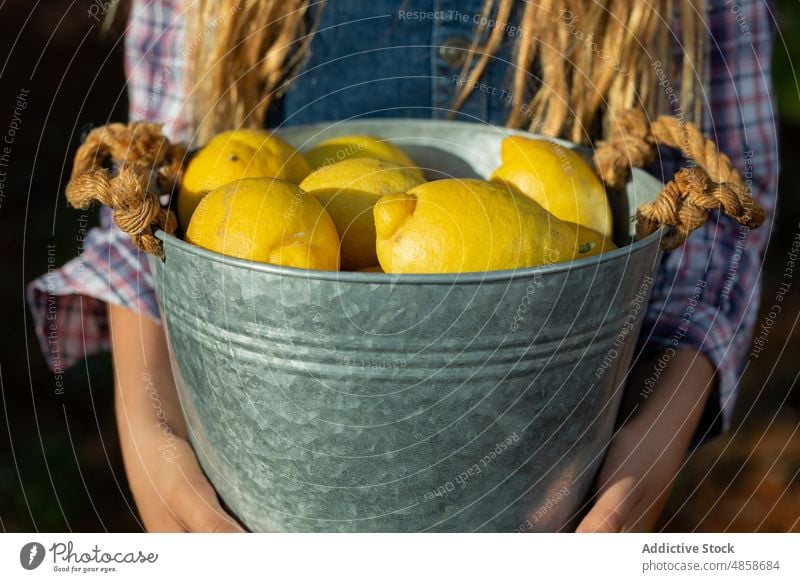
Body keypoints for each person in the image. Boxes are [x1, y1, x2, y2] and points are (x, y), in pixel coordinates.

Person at [28, 0, 777, 532]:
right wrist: (153, 436)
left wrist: (643, 458)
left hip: (554, 493)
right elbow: (155, 215)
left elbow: (718, 231)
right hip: (263, 501)